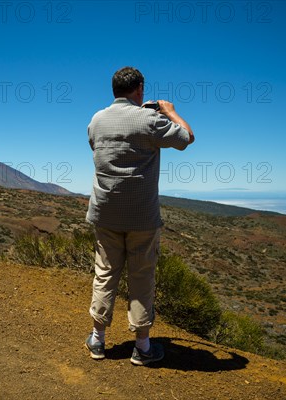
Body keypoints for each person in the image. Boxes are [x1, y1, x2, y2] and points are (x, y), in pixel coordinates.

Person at [84, 66, 194, 365]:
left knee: (105, 273)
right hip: (142, 217)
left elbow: (99, 147)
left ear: (114, 89)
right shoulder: (151, 119)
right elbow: (187, 138)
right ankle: (143, 347)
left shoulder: (96, 120)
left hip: (105, 212)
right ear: (140, 89)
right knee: (141, 277)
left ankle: (97, 340)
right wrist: (170, 111)